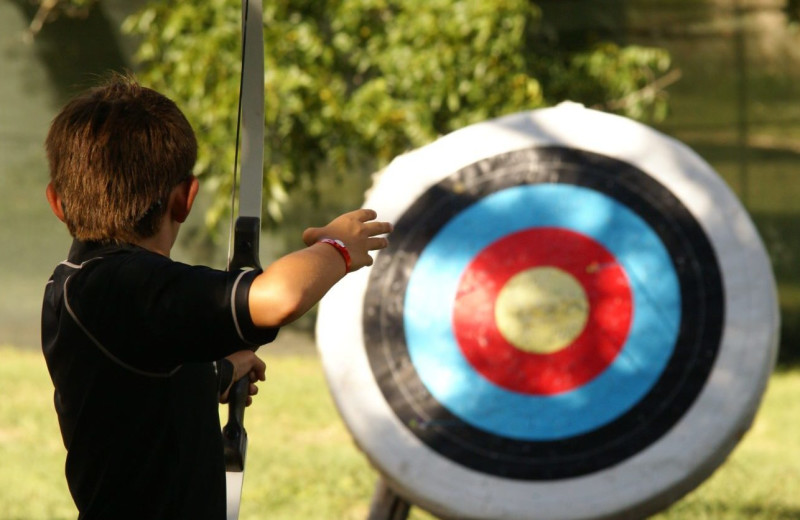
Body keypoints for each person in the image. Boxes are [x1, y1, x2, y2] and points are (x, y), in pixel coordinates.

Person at [41, 74, 392, 519]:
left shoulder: (77, 285)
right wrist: (338, 248)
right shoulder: (120, 285)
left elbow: (133, 387)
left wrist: (218, 372)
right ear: (185, 200)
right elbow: (278, 297)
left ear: (56, 202)